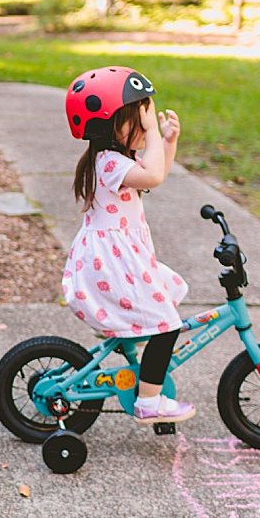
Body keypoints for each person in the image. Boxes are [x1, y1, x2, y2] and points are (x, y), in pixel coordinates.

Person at [61, 65, 193, 423]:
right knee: (167, 324)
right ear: (109, 126)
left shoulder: (115, 160)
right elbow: (152, 175)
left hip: (121, 259)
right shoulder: (108, 163)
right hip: (112, 264)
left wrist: (166, 142)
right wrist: (152, 132)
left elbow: (156, 171)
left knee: (165, 299)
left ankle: (140, 364)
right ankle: (149, 401)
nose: (143, 124)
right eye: (136, 118)